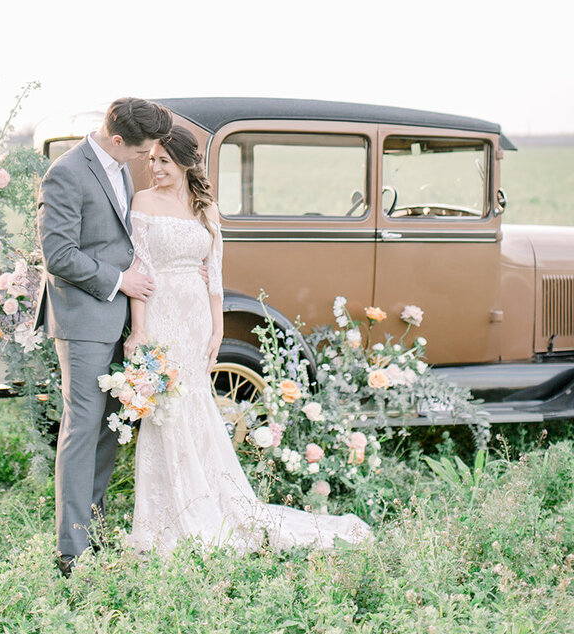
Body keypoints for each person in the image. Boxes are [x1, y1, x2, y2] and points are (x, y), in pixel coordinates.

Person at [126, 124, 371, 553]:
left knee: (196, 402)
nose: (155, 168)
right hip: (161, 311)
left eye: (163, 161)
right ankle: (165, 516)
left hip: (198, 315)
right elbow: (140, 271)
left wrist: (218, 327)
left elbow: (215, 273)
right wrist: (141, 331)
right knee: (166, 409)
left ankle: (210, 497)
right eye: (152, 160)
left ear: (184, 163)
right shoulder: (143, 202)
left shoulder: (205, 208)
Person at [34, 97, 173, 574]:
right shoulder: (66, 172)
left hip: (120, 320)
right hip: (84, 321)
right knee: (82, 429)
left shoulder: (119, 165)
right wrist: (120, 281)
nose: (144, 160)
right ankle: (72, 552)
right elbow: (58, 253)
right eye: (140, 152)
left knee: (110, 429)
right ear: (117, 140)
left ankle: (91, 532)